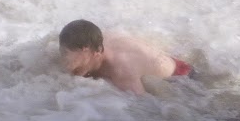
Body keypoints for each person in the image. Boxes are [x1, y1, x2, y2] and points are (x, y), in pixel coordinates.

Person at [57, 19, 193, 96]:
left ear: (88, 51)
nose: (64, 60)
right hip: (158, 59)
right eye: (62, 51)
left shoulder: (121, 69)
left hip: (180, 77)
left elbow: (143, 109)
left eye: (66, 54)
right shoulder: (93, 40)